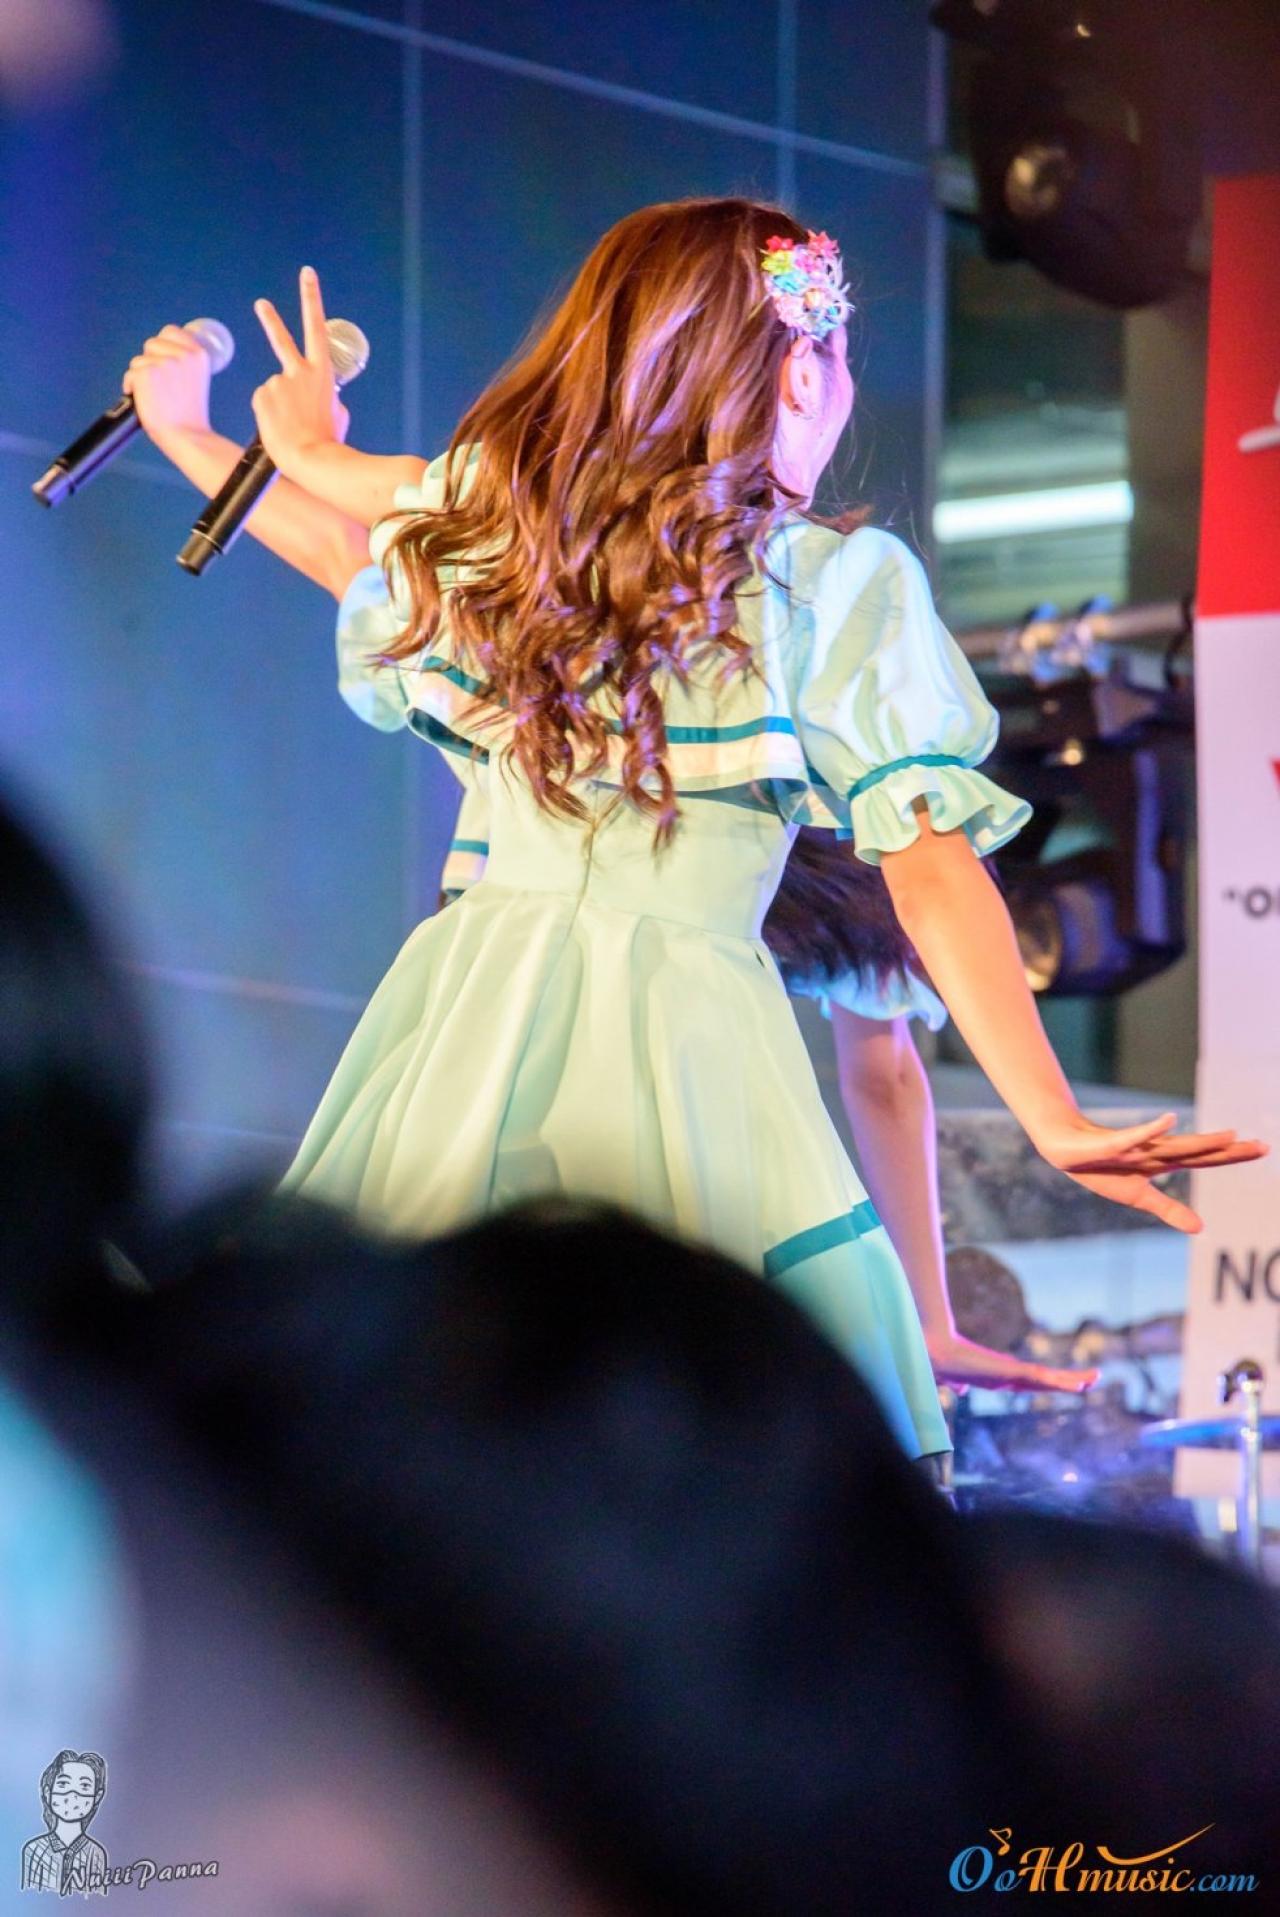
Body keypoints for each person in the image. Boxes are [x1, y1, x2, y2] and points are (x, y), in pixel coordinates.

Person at [122, 199, 1266, 1470]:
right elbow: (928, 865)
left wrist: (211, 435)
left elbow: (354, 544)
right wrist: (1047, 1115)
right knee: (701, 1417)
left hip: (465, 1016)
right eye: (833, 358)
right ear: (798, 372)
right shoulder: (824, 585)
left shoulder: (510, 543)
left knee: (419, 1405)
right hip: (678, 1031)